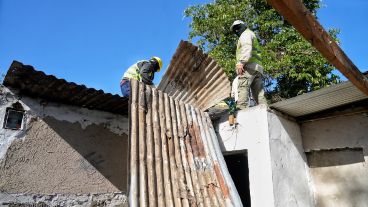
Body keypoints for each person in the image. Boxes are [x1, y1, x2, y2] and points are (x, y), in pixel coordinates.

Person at [230, 20, 267, 109]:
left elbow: (247, 48)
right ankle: (265, 110)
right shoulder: (251, 34)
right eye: (235, 29)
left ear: (244, 26)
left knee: (242, 88)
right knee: (258, 93)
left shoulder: (245, 34)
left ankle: (241, 111)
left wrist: (240, 63)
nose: (236, 31)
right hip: (257, 68)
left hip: (248, 67)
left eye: (238, 27)